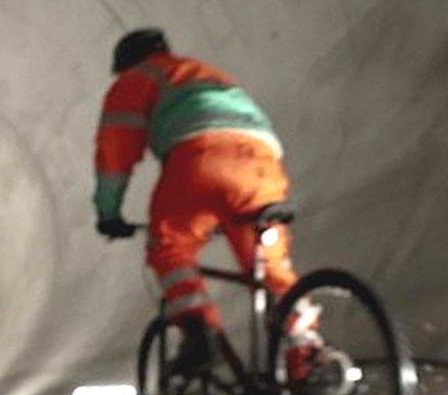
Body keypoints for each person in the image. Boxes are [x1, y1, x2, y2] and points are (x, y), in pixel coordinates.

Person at [92, 28, 316, 376]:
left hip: (200, 159)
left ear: (125, 62)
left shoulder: (136, 79)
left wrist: (109, 214)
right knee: (271, 266)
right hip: (261, 161)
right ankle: (309, 370)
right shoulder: (206, 73)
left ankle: (200, 334)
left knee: (169, 247)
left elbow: (114, 156)